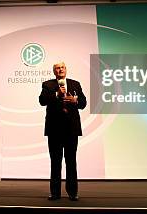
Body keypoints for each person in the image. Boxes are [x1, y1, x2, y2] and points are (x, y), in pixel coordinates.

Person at [39, 62, 87, 201]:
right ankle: (55, 193)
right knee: (55, 161)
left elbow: (83, 103)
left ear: (66, 70)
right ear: (54, 71)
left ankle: (73, 193)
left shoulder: (75, 84)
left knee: (71, 161)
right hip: (54, 129)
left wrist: (75, 100)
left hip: (71, 129)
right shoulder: (47, 85)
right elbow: (42, 101)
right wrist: (56, 94)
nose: (60, 70)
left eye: (62, 67)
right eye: (58, 68)